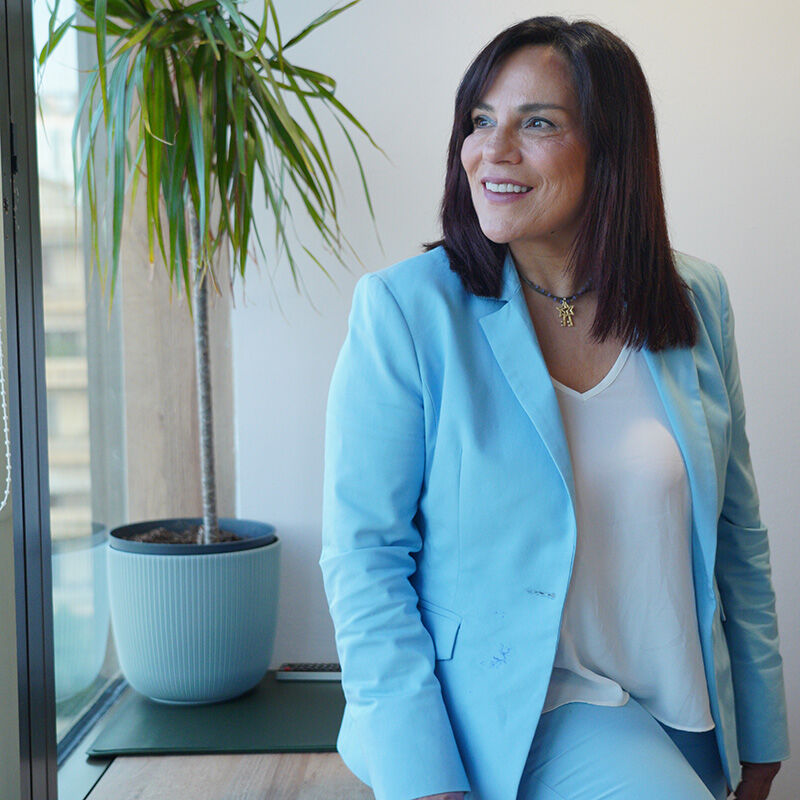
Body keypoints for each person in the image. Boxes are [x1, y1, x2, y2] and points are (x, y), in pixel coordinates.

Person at [318, 16, 790, 800]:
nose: (493, 150)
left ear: (611, 149)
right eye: (481, 120)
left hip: (681, 708)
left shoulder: (694, 298)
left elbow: (738, 536)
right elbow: (365, 559)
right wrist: (424, 778)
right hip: (504, 717)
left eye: (537, 123)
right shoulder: (406, 311)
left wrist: (765, 732)